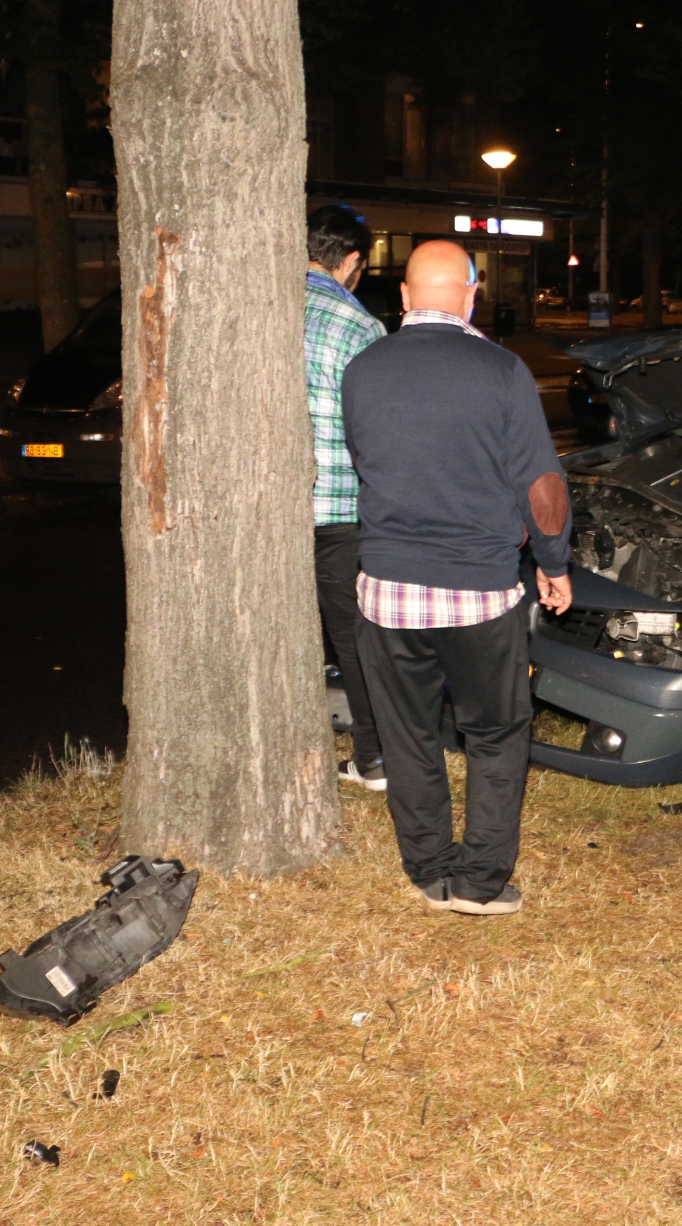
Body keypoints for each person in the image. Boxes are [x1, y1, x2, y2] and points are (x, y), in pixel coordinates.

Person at [342, 240, 573, 917]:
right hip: (480, 591)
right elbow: (542, 484)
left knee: (407, 735)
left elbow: (367, 461)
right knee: (496, 734)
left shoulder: (363, 369)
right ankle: (479, 883)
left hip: (388, 591)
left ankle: (430, 871)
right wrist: (554, 564)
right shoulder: (500, 369)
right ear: (471, 295)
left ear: (405, 297)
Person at [304, 203, 387, 790]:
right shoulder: (359, 327)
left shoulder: (253, 307)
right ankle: (374, 757)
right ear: (353, 261)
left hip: (265, 512)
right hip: (338, 509)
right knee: (355, 637)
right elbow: (376, 432)